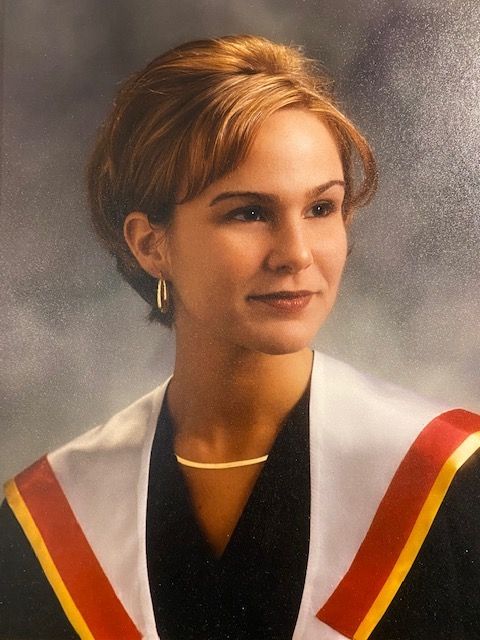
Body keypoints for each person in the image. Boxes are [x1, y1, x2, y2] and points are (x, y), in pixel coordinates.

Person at [1, 34, 479, 640]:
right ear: (150, 244)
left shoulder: (454, 483)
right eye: (248, 213)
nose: (296, 254)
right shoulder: (47, 522)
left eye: (321, 208)